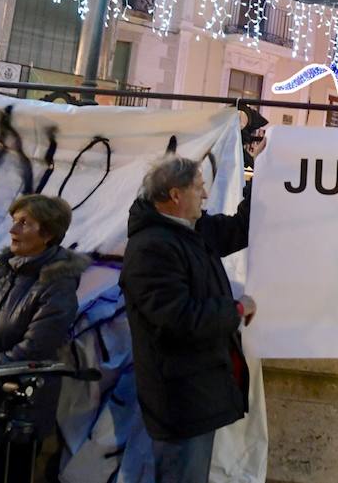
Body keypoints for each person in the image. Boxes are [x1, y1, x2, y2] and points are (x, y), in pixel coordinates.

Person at [120, 154, 253, 482]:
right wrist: (234, 310)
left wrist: (264, 171)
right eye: (198, 188)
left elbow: (241, 228)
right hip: (180, 399)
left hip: (198, 392)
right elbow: (178, 318)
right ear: (176, 195)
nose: (205, 195)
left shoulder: (190, 232)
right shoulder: (152, 247)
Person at [0, 194, 87, 482]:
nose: (13, 230)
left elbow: (31, 350)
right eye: (14, 222)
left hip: (14, 422)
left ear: (48, 233)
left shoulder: (57, 286)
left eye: (24, 223)